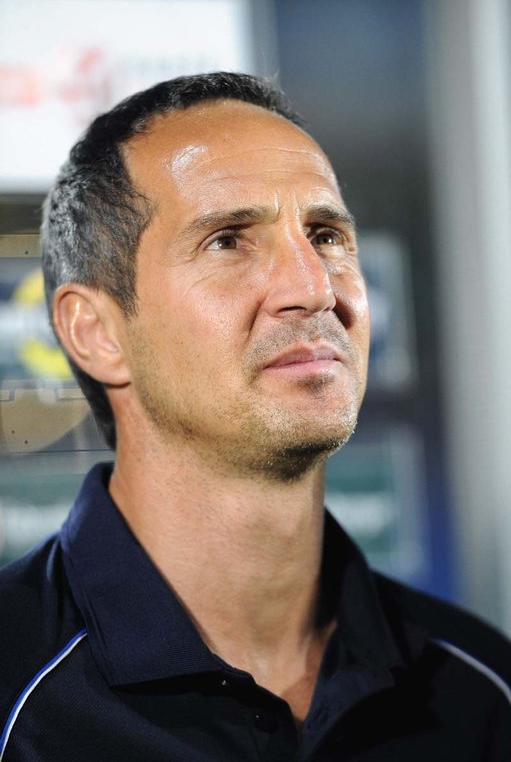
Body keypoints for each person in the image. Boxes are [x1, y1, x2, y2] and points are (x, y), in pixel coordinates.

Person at [0, 72, 510, 762]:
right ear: (96, 333)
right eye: (228, 241)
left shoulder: (481, 690)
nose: (313, 288)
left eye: (325, 235)